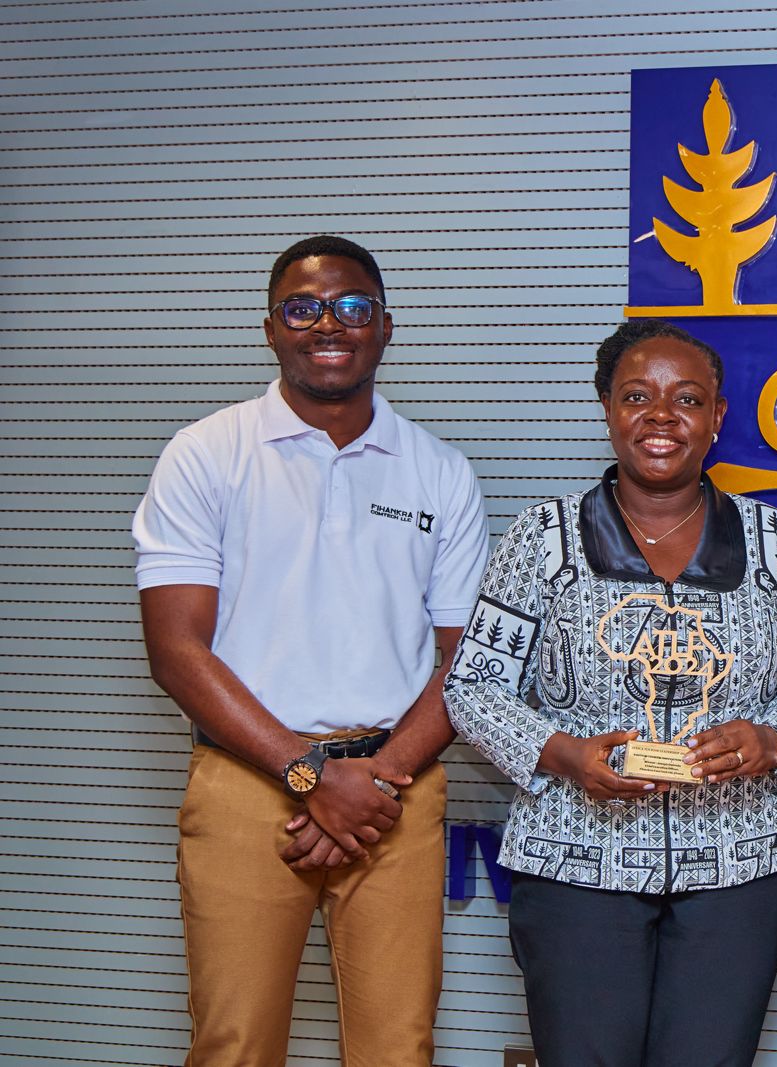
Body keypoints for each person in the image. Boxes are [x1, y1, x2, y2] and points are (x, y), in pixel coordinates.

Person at [133, 235, 489, 1066]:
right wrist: (309, 775)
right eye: (304, 307)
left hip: (393, 793)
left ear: (387, 327)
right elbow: (177, 652)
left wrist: (374, 779)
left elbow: (464, 662)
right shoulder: (205, 455)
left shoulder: (440, 472)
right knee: (235, 1045)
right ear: (269, 328)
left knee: (397, 1049)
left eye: (353, 307)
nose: (329, 323)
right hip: (245, 786)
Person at [443, 318, 777, 1067]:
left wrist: (772, 738)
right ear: (606, 408)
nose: (662, 416)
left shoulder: (775, 541)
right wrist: (561, 753)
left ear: (717, 417)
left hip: (739, 867)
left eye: (687, 398)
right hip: (576, 865)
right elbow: (474, 686)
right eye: (637, 396)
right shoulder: (541, 538)